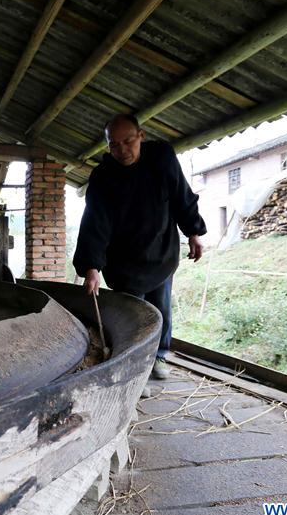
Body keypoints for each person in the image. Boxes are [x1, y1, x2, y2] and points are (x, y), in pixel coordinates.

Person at [73, 113, 206, 379]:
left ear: (141, 136)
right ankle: (136, 369)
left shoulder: (162, 158)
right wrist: (91, 266)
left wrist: (193, 232)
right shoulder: (103, 177)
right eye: (114, 144)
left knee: (162, 311)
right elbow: (94, 223)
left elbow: (182, 194)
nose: (122, 150)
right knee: (132, 318)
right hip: (123, 262)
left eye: (128, 141)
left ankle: (158, 357)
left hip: (161, 253)